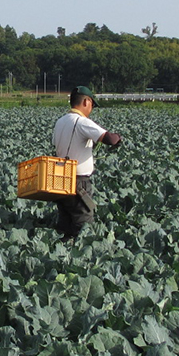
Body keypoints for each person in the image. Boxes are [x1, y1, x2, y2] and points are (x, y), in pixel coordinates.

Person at [52, 86, 122, 240]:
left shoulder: (60, 122)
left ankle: (63, 253)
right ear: (86, 102)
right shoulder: (82, 121)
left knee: (65, 222)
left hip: (60, 180)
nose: (91, 109)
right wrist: (118, 137)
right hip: (78, 182)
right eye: (92, 105)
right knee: (83, 223)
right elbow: (109, 139)